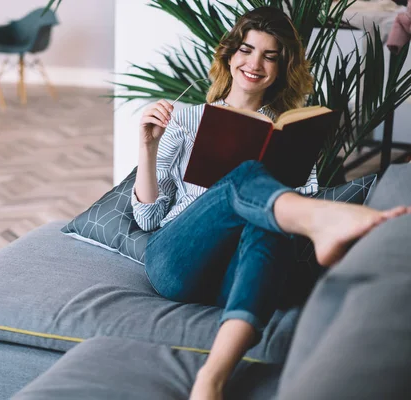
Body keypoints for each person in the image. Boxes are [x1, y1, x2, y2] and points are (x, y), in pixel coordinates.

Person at [131, 7, 410, 400]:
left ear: (281, 69)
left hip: (237, 273)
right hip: (177, 261)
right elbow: (146, 218)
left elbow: (291, 211)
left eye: (270, 55)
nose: (255, 63)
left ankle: (212, 378)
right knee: (245, 176)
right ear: (230, 56)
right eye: (246, 50)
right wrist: (147, 146)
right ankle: (323, 220)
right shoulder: (185, 120)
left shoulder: (289, 134)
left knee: (272, 224)